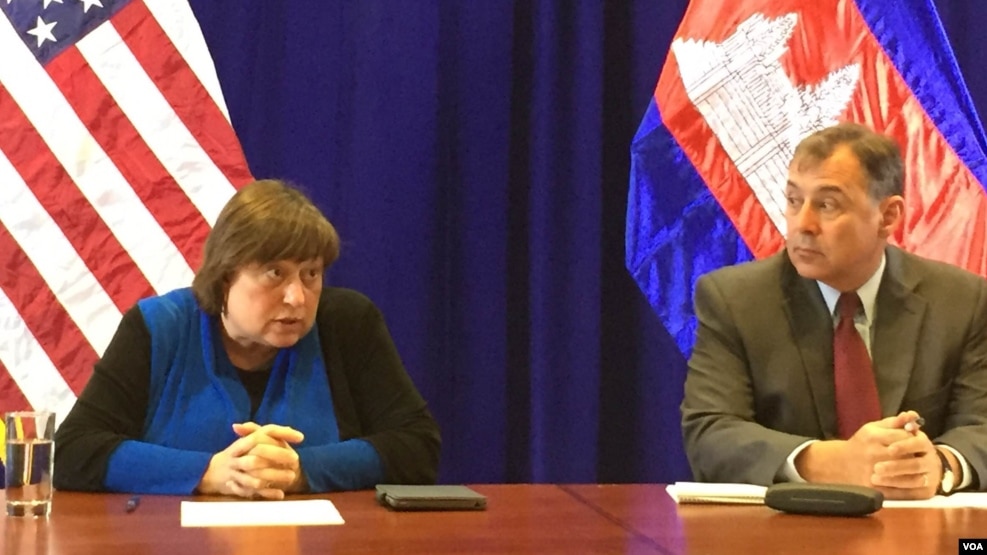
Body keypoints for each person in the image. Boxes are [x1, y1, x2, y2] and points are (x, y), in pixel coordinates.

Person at [54, 179, 441, 498]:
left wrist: (301, 469)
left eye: (311, 274)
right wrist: (208, 472)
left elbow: (417, 446)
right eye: (275, 273)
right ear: (225, 277)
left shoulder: (348, 323)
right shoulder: (159, 326)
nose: (297, 297)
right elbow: (73, 451)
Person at [681, 122, 987, 500]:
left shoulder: (961, 300)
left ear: (888, 216)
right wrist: (831, 462)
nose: (802, 225)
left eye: (827, 204)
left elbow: (981, 425)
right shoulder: (734, 300)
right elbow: (710, 433)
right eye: (794, 201)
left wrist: (939, 465)